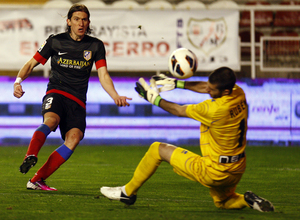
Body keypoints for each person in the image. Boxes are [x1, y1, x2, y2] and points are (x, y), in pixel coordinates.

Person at [100, 67, 274, 212]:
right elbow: (206, 86)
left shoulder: (213, 110)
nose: (208, 90)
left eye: (212, 90)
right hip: (236, 168)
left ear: (225, 91)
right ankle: (248, 200)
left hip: (214, 170)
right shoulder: (238, 93)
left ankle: (127, 192)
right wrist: (177, 84)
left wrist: (153, 98)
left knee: (157, 149)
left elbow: (177, 110)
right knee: (223, 202)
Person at [13, 3, 131, 191]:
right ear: (69, 22)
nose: (80, 23)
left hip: (77, 100)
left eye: (84, 19)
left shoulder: (95, 45)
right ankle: (30, 155)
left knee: (74, 138)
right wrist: (18, 81)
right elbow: (31, 63)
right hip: (56, 92)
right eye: (76, 19)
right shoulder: (55, 41)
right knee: (51, 120)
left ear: (88, 22)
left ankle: (36, 180)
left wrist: (115, 95)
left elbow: (103, 74)